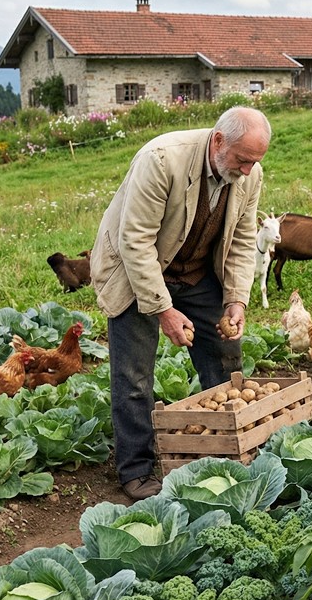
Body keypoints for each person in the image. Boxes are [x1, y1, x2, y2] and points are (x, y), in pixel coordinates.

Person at [91, 106, 271, 501]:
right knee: (135, 376)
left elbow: (242, 241)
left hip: (196, 269)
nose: (247, 170)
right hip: (135, 270)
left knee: (226, 357)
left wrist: (237, 300)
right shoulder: (161, 160)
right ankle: (136, 470)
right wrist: (163, 310)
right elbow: (134, 243)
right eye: (242, 159)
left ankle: (226, 446)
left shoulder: (248, 173)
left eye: (255, 162)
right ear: (219, 141)